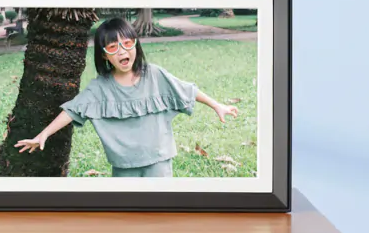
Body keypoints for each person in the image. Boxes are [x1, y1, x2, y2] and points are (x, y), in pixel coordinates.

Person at [14, 17, 239, 177]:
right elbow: (72, 110)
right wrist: (42, 135)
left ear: (136, 45)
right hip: (124, 166)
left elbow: (187, 90)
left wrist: (216, 105)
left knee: (159, 212)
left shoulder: (155, 74)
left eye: (127, 44)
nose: (122, 51)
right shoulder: (100, 88)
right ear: (104, 55)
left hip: (159, 161)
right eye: (113, 47)